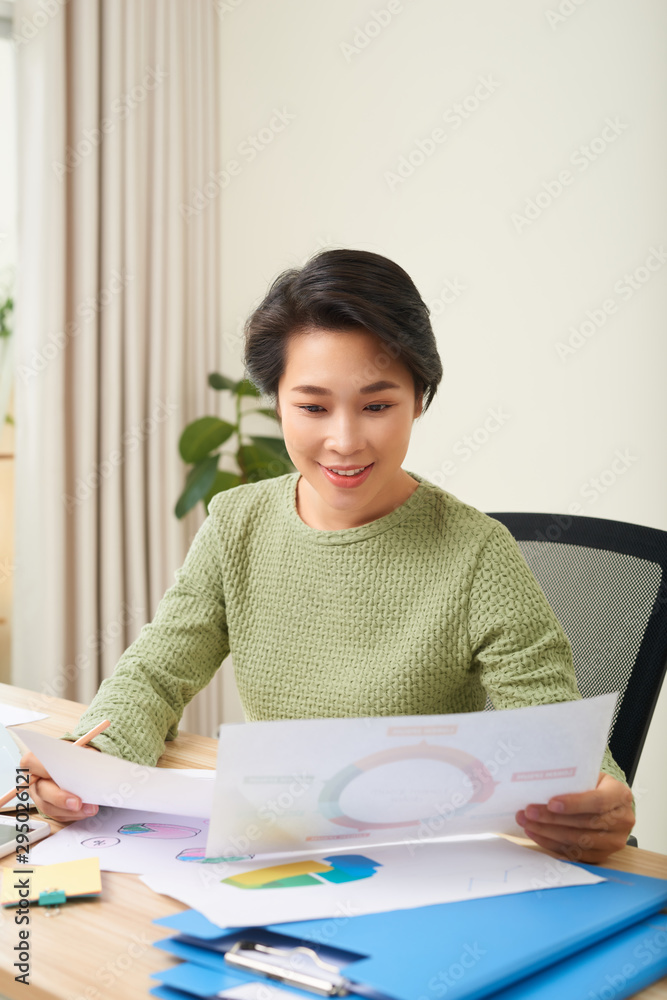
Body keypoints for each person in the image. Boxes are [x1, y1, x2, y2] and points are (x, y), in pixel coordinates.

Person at [21, 248, 635, 862]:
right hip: (278, 849)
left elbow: (563, 743)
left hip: (416, 864)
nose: (344, 441)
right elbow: (156, 674)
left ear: (419, 398)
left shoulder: (478, 556)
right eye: (313, 407)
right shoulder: (237, 524)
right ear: (277, 401)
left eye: (377, 405)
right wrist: (92, 758)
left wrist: (601, 802)